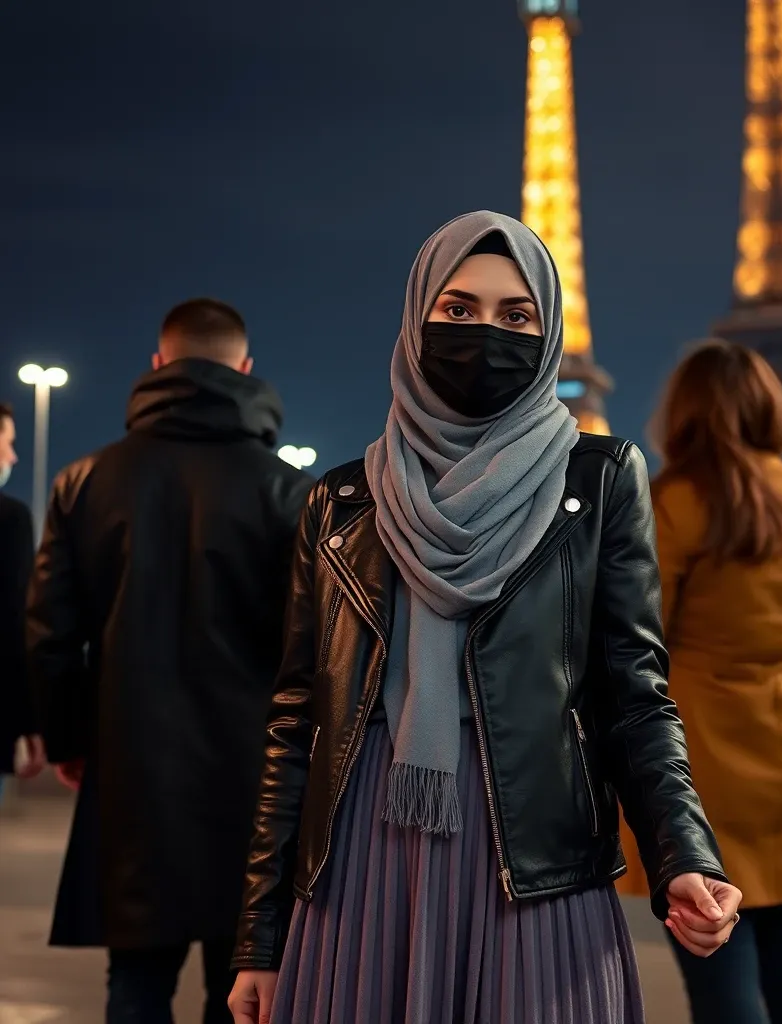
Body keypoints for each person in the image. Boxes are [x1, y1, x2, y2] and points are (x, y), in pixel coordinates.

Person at [227, 212, 742, 1024]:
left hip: (532, 854)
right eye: (458, 310)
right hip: (365, 852)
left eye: (516, 315)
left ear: (548, 333)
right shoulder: (341, 503)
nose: (485, 334)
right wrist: (258, 940)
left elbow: (635, 697)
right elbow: (298, 723)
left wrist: (684, 853)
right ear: (415, 318)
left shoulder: (600, 481)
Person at [25, 299, 314, 1024]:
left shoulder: (85, 480)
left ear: (157, 365)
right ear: (246, 371)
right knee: (244, 986)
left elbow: (49, 637)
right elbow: (312, 654)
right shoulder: (289, 491)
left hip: (131, 766)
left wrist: (70, 739)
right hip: (255, 778)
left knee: (137, 979)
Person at [646, 338, 782, 1023]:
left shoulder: (673, 502)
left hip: (704, 763)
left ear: (684, 413)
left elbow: (643, 636)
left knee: (717, 962)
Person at [0, 401, 45, 786]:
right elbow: (15, 617)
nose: (13, 455)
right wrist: (30, 719)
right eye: (7, 440)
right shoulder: (10, 518)